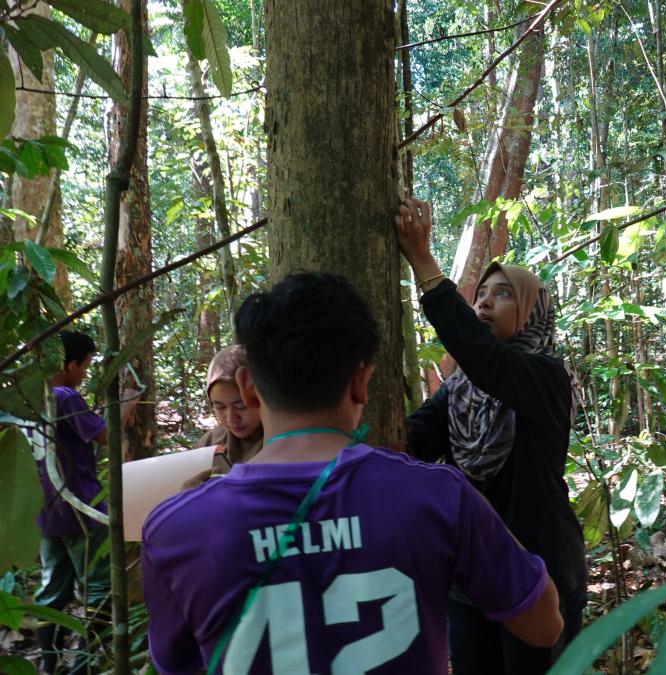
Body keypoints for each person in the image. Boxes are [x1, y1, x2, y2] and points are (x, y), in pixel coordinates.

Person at [140, 272, 562, 674]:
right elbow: (544, 625)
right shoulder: (438, 497)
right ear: (362, 382)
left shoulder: (175, 527)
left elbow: (178, 663)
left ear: (249, 389)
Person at [395, 198, 587, 674]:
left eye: (501, 294)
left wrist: (424, 263)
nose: (482, 300)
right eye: (481, 292)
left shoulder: (545, 377)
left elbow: (486, 359)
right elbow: (418, 437)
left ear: (531, 311)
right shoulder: (460, 389)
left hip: (539, 572)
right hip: (470, 576)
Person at [34, 330, 135, 674]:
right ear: (70, 364)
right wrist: (131, 402)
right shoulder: (64, 395)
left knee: (53, 588)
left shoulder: (32, 396)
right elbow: (106, 435)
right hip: (81, 508)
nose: (84, 375)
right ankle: (85, 665)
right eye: (85, 367)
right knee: (101, 590)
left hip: (45, 510)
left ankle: (49, 663)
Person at [182, 345, 264, 488]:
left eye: (241, 406)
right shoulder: (210, 444)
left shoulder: (280, 444)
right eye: (220, 407)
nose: (231, 418)